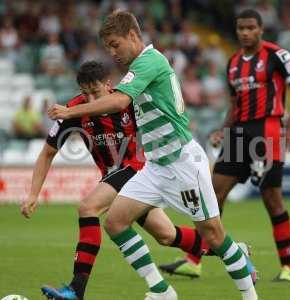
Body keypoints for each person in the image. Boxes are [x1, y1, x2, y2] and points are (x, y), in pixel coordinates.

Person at [48, 11, 259, 300]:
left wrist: (70, 111)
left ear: (133, 36)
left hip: (183, 162)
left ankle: (249, 293)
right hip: (156, 167)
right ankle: (162, 291)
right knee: (115, 222)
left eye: (115, 44)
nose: (112, 52)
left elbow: (120, 100)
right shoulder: (138, 68)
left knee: (214, 235)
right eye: (108, 47)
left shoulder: (150, 60)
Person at [22, 61, 244, 300]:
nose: (89, 99)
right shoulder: (74, 110)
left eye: (95, 92)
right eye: (84, 93)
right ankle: (234, 252)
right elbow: (47, 152)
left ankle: (77, 289)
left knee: (88, 208)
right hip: (116, 178)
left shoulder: (126, 102)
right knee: (167, 235)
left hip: (139, 169)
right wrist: (33, 194)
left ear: (108, 85)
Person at [160, 9, 290, 282]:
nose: (245, 32)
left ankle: (289, 267)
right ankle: (194, 261)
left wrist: (289, 130)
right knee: (212, 195)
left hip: (267, 132)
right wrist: (224, 130)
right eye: (241, 28)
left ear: (261, 29)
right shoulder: (233, 62)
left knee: (272, 200)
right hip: (239, 134)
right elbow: (235, 104)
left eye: (250, 27)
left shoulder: (277, 55)